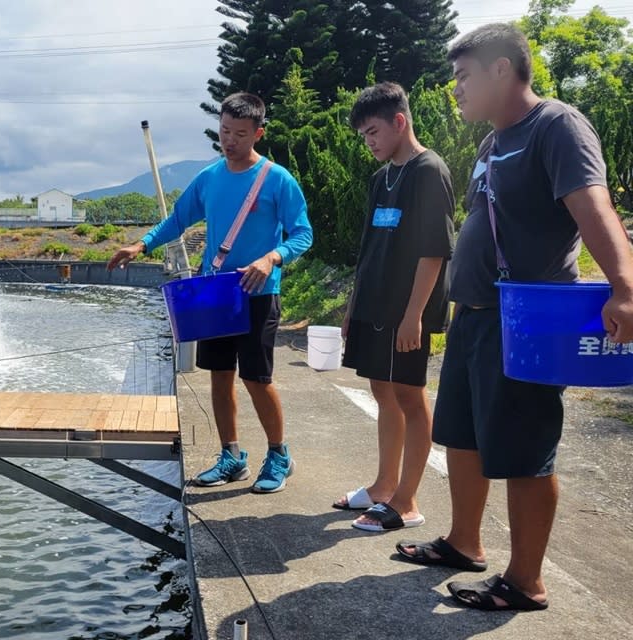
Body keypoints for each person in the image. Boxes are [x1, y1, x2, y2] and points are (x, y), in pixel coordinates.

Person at [396, 23, 633, 611]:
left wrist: (625, 287)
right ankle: (463, 543)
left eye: (463, 75)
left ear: (502, 69)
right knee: (463, 436)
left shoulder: (556, 126)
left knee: (525, 450)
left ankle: (525, 581)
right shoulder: (491, 143)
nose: (455, 89)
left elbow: (592, 205)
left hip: (526, 316)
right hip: (474, 314)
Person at [107, 92, 313, 493]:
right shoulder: (210, 177)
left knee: (257, 378)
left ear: (258, 132)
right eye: (224, 131)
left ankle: (278, 455)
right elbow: (178, 219)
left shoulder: (277, 179)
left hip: (257, 293)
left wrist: (272, 257)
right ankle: (231, 455)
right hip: (217, 294)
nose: (230, 140)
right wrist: (141, 245)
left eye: (239, 133)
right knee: (219, 377)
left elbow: (303, 234)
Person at [335, 82, 455, 533]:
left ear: (399, 122)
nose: (369, 142)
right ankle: (383, 486)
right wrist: (352, 306)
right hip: (374, 304)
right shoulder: (380, 177)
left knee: (409, 393)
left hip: (407, 310)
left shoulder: (429, 170)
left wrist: (414, 315)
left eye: (372, 132)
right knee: (381, 391)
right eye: (364, 135)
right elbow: (368, 247)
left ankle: (406, 502)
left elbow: (435, 250)